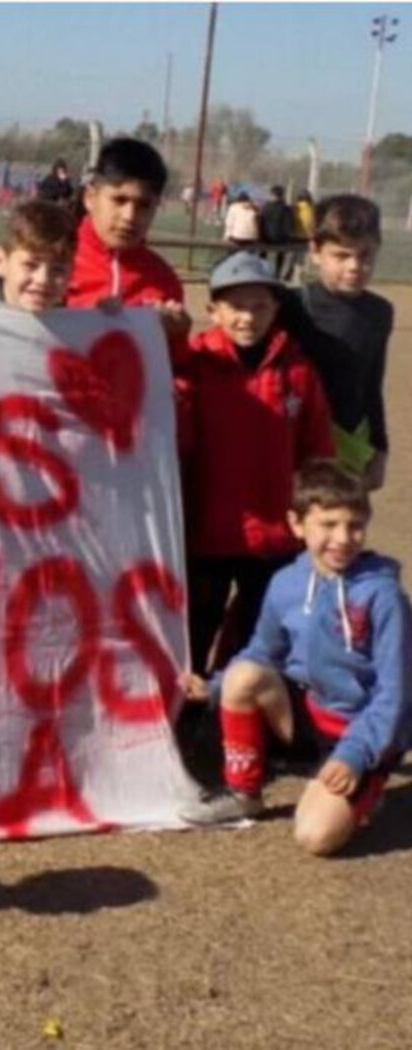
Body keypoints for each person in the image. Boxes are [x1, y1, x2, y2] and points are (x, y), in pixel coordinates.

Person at [180, 460, 412, 856]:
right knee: (243, 675)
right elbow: (261, 652)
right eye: (328, 524)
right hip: (307, 718)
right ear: (296, 524)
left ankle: (365, 783)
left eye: (354, 525)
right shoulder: (285, 583)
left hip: (361, 731)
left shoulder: (383, 596)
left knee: (314, 838)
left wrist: (355, 755)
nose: (343, 538)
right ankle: (244, 792)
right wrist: (215, 685)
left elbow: (396, 694)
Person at [177, 251, 334, 676]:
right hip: (204, 533)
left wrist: (315, 513)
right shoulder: (192, 365)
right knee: (193, 631)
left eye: (259, 305)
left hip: (274, 537)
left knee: (256, 637)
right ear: (213, 309)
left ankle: (230, 713)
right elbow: (177, 444)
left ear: (276, 308)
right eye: (235, 306)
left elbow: (317, 449)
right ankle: (187, 717)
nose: (247, 317)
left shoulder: (299, 370)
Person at [279, 195, 393, 492]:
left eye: (366, 255)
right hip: (296, 444)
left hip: (351, 447)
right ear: (315, 251)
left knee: (341, 533)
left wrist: (380, 449)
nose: (355, 266)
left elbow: (371, 383)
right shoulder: (290, 306)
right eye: (341, 255)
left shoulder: (380, 312)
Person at [66, 138, 190, 359]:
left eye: (143, 205)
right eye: (119, 200)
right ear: (90, 198)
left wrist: (176, 338)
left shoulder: (163, 280)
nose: (129, 217)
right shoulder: (50, 262)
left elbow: (173, 375)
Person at [0, 199, 76, 313]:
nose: (43, 279)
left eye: (58, 270)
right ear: (0, 261)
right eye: (30, 265)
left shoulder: (74, 325)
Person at [258, 184, 294, 280]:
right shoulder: (286, 209)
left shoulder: (266, 207)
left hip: (266, 238)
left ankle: (262, 271)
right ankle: (277, 273)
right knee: (281, 253)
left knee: (263, 252)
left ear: (272, 195)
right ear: (282, 195)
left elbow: (261, 222)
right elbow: (288, 224)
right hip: (280, 239)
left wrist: (261, 235)